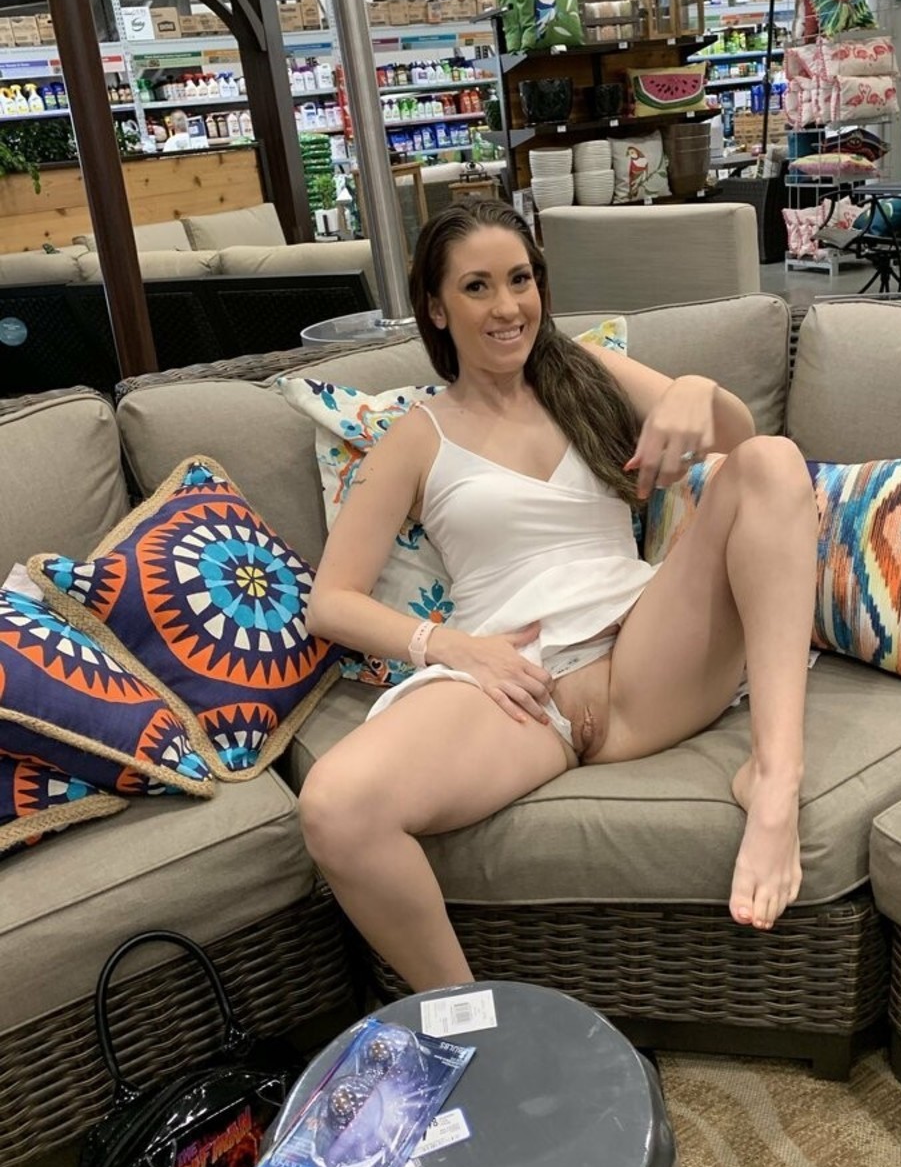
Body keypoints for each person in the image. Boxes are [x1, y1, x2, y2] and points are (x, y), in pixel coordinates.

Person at [302, 197, 819, 993]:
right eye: (477, 286)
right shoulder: (416, 435)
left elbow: (741, 443)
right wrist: (449, 646)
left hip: (650, 652)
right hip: (518, 687)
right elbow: (330, 600)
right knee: (334, 806)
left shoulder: (586, 372)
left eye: (521, 279)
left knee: (776, 461)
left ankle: (775, 779)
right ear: (436, 308)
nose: (507, 306)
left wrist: (693, 388)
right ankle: (473, 1017)